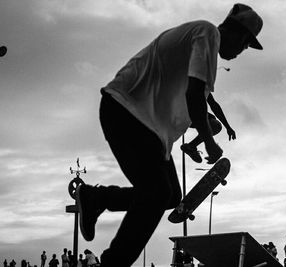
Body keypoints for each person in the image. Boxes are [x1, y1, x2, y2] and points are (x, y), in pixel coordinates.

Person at [75, 3, 263, 267]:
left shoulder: (199, 45)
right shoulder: (208, 34)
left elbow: (189, 98)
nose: (242, 52)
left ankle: (98, 198)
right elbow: (195, 94)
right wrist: (209, 141)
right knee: (155, 193)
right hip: (128, 111)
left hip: (148, 129)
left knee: (172, 196)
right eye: (245, 46)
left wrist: (205, 125)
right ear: (240, 35)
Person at [180, 99, 236, 163]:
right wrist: (210, 143)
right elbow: (213, 105)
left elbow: (214, 105)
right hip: (179, 111)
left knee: (213, 120)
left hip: (183, 113)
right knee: (214, 124)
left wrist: (228, 127)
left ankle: (191, 147)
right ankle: (191, 146)